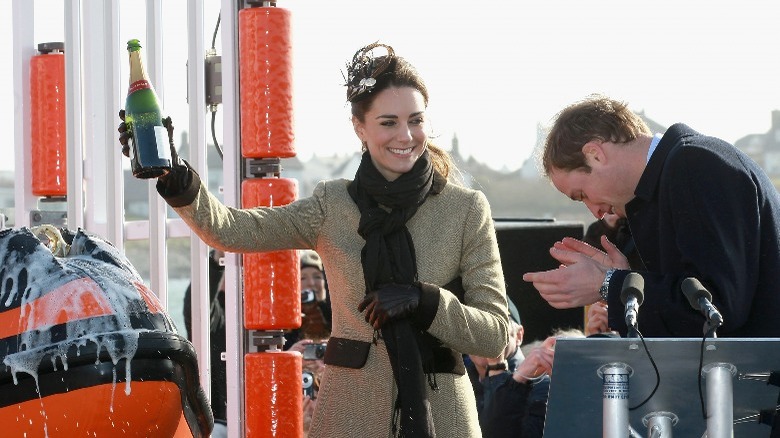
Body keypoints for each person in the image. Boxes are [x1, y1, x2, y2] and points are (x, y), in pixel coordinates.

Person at [118, 42, 510, 437]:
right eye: (389, 122)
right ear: (360, 127)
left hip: (445, 418)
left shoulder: (465, 209)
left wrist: (425, 301)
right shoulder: (332, 203)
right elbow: (232, 229)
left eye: (416, 120)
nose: (405, 135)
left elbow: (495, 334)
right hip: (350, 415)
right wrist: (176, 176)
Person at [522, 93, 780, 338]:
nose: (596, 212)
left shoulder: (693, 165)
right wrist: (628, 281)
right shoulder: (682, 169)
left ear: (595, 154)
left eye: (582, 194)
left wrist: (610, 284)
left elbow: (716, 307)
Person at [466, 300, 552, 438]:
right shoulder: (456, 379)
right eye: (474, 326)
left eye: (497, 328)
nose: (483, 336)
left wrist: (497, 371)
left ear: (518, 335)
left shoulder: (541, 384)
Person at [182, 248, 227, 438]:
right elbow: (197, 309)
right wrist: (217, 262)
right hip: (222, 422)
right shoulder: (220, 315)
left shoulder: (287, 311)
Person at [284, 249, 332, 349]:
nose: (311, 283)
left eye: (317, 277)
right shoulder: (284, 319)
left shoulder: (337, 315)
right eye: (302, 278)